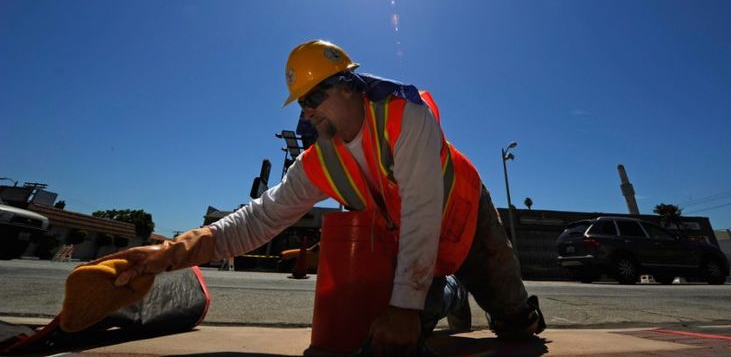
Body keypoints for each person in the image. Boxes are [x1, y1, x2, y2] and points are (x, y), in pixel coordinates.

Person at [96, 40, 545, 355]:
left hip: (464, 217)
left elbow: (424, 212)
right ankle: (449, 292)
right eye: (300, 103)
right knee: (385, 331)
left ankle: (477, 292)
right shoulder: (317, 161)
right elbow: (259, 220)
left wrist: (403, 308)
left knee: (515, 330)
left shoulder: (404, 115)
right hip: (413, 245)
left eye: (314, 96)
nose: (307, 111)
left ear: (350, 87)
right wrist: (172, 252)